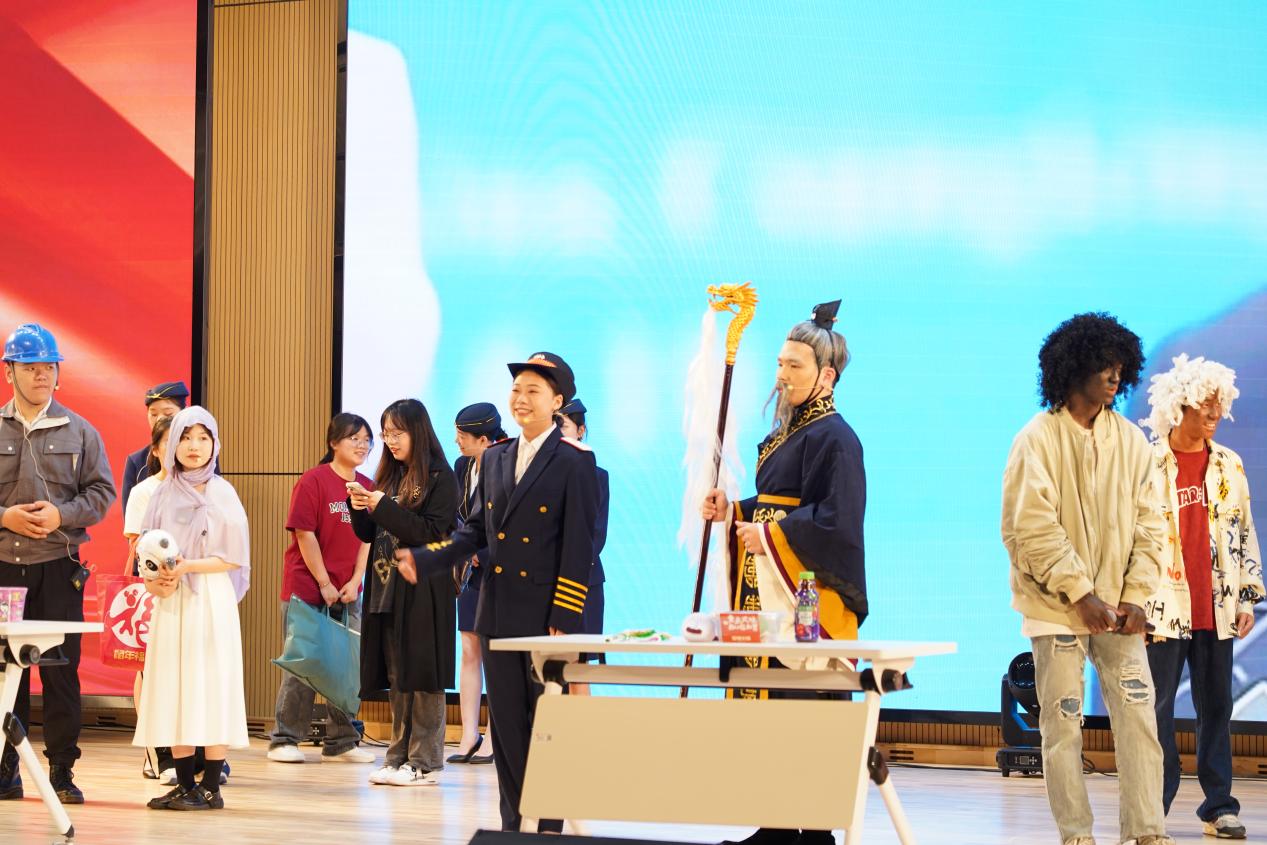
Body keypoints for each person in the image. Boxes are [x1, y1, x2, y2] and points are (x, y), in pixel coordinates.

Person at [398, 351, 598, 833]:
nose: (521, 398)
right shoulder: (495, 458)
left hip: (546, 619)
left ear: (557, 401)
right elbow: (474, 532)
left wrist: (565, 617)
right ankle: (513, 828)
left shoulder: (575, 461)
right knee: (506, 730)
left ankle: (547, 829)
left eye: (533, 391)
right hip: (498, 612)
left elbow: (580, 546)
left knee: (546, 728)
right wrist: (427, 559)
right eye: (516, 390)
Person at [1001, 312, 1173, 845]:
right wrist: (1080, 593)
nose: (1115, 375)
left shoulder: (1132, 441)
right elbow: (1030, 528)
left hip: (1118, 610)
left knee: (1139, 720)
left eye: (1120, 365)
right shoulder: (1036, 438)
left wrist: (1136, 596)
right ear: (1073, 366)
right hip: (1056, 608)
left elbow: (1151, 524)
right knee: (1062, 727)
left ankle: (1147, 833)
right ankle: (1077, 835)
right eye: (1103, 364)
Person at [700, 301, 866, 845]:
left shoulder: (837, 438)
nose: (782, 375)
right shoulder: (790, 432)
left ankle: (815, 830)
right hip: (765, 587)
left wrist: (769, 535)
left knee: (802, 709)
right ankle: (774, 821)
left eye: (794, 365)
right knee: (768, 703)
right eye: (779, 363)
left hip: (805, 596)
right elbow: (777, 504)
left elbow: (836, 521)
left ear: (826, 376)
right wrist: (734, 509)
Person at [1140, 354, 1263, 840]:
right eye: (1204, 403)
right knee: (1156, 710)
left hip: (1217, 605)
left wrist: (1247, 598)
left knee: (1217, 708)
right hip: (1161, 610)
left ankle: (1219, 807)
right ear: (1179, 406)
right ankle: (1153, 807)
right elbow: (1129, 536)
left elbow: (1244, 533)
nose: (1214, 412)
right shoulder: (1147, 464)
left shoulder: (1230, 463)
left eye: (1219, 403)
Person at [0, 323, 115, 805]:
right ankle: (6, 769)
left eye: (49, 366)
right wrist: (4, 516)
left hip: (58, 568)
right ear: (10, 372)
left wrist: (61, 515)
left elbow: (102, 493)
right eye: (31, 367)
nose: (42, 374)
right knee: (7, 673)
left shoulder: (81, 430)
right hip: (5, 570)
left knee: (61, 672)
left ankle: (62, 772)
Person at [134, 406, 250, 811]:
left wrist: (187, 567)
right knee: (174, 687)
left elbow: (232, 558)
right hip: (171, 600)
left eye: (203, 438)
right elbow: (146, 551)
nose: (194, 446)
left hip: (210, 600)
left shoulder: (223, 492)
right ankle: (185, 785)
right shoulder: (162, 492)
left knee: (212, 686)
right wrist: (157, 580)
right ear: (172, 446)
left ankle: (212, 787)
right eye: (185, 437)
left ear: (215, 444)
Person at [349, 399, 458, 787]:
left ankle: (425, 762)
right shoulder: (390, 476)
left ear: (418, 432)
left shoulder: (441, 477)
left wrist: (383, 508)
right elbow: (370, 533)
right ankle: (397, 757)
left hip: (423, 591)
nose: (390, 441)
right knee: (398, 678)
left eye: (398, 433)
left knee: (423, 676)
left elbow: (430, 532)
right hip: (385, 588)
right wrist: (359, 507)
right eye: (386, 434)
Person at [267, 413, 376, 765]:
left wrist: (355, 580)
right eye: (354, 439)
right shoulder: (313, 480)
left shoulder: (367, 485)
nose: (362, 446)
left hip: (348, 591)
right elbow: (304, 534)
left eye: (366, 440)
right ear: (333, 442)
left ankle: (342, 741)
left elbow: (368, 538)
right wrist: (325, 583)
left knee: (346, 668)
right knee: (304, 664)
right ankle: (285, 739)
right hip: (307, 588)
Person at [448, 402, 506, 764]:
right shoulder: (462, 466)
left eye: (463, 437)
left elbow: (511, 522)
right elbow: (459, 516)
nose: (457, 442)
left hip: (499, 570)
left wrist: (481, 553)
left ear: (485, 439)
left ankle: (496, 736)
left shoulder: (508, 463)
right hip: (468, 572)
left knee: (496, 654)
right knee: (469, 648)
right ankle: (468, 733)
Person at [122, 414, 175, 782]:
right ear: (155, 450)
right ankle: (156, 751)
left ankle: (198, 753)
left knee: (190, 675)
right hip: (155, 589)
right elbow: (138, 545)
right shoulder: (144, 491)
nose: (181, 448)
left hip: (193, 589)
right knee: (151, 671)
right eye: (169, 442)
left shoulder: (207, 489)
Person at [556, 397, 609, 691]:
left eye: (562, 426)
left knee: (578, 667)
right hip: (544, 583)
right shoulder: (540, 474)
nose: (557, 433)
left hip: (583, 582)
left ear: (580, 430)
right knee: (547, 668)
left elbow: (595, 536)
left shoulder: (598, 477)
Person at [120, 381, 188, 512]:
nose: (159, 420)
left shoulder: (200, 455)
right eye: (153, 414)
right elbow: (131, 515)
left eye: (168, 414)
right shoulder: (137, 461)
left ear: (184, 413)